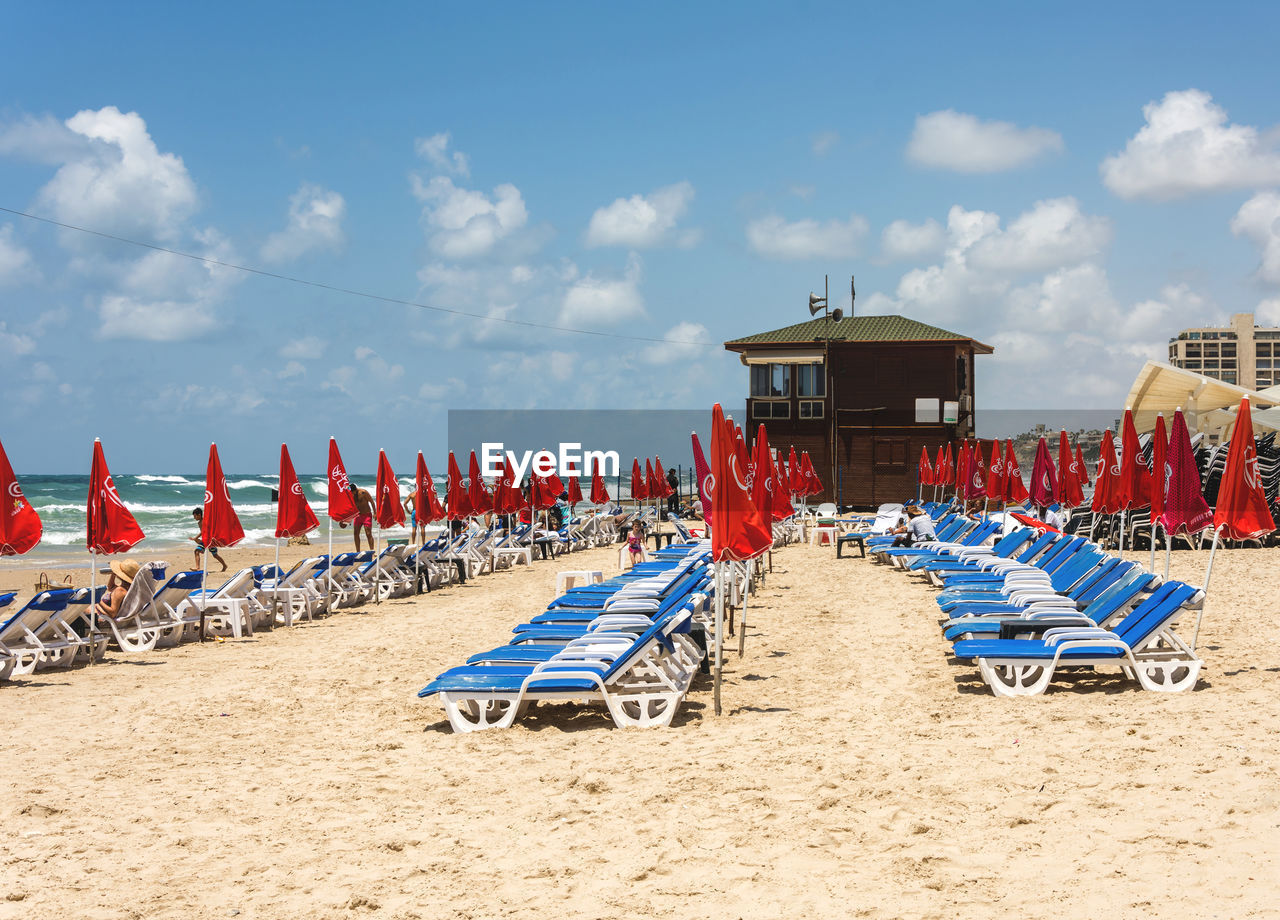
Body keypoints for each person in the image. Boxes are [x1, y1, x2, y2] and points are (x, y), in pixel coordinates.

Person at [344, 483, 375, 551]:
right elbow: (349, 506)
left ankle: (372, 550)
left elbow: (372, 502)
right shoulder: (350, 493)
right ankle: (358, 551)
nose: (352, 494)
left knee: (368, 533)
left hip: (367, 515)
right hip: (357, 516)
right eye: (351, 493)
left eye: (353, 492)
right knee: (356, 533)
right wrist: (347, 518)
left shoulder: (363, 492)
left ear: (356, 490)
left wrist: (375, 513)